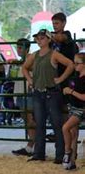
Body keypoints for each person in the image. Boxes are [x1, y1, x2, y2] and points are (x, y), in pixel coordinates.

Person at [22, 29, 73, 163]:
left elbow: (70, 64)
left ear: (49, 40)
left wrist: (60, 79)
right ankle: (40, 153)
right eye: (38, 38)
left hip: (52, 92)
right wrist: (30, 80)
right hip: (39, 92)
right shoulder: (34, 55)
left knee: (56, 124)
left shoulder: (54, 54)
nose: (39, 40)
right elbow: (24, 68)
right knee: (40, 124)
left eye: (42, 38)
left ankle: (59, 155)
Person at [47, 12, 78, 142]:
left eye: (57, 23)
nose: (54, 26)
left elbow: (61, 38)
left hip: (68, 77)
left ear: (64, 23)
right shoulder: (52, 41)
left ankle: (68, 134)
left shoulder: (67, 35)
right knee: (58, 107)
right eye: (53, 23)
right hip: (57, 77)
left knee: (67, 107)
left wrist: (48, 35)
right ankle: (61, 133)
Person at [11, 39, 36, 156]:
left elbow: (33, 69)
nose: (18, 50)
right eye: (18, 47)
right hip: (21, 92)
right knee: (26, 119)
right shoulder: (22, 60)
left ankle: (32, 146)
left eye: (21, 48)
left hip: (28, 92)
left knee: (30, 119)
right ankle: (31, 146)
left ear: (27, 49)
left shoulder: (31, 58)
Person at [61, 52, 85, 170]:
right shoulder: (77, 78)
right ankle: (72, 162)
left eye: (77, 63)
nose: (75, 65)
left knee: (65, 128)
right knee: (74, 134)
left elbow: (84, 97)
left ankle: (67, 152)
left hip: (81, 109)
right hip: (74, 107)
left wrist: (71, 92)